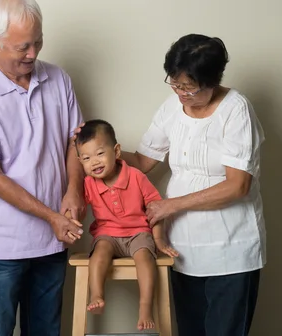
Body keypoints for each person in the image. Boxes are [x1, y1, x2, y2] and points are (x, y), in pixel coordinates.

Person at [0, 0, 85, 336]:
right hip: (0, 246)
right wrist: (52, 216)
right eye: (22, 46)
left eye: (37, 42)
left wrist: (73, 191)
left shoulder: (58, 79)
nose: (32, 53)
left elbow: (75, 142)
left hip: (53, 241)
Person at [122, 34, 266, 336]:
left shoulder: (236, 110)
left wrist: (170, 205)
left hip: (231, 252)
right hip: (182, 250)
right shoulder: (172, 107)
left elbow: (237, 185)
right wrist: (102, 150)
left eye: (188, 86)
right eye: (174, 83)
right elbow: (141, 162)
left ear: (212, 80)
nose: (180, 92)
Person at [73, 119, 178, 331]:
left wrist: (158, 239)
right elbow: (77, 208)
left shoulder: (136, 177)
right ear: (80, 161)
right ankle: (97, 295)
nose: (94, 162)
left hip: (138, 233)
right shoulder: (88, 183)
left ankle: (145, 307)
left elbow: (155, 208)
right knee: (99, 253)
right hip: (107, 235)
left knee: (145, 259)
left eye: (100, 154)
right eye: (86, 158)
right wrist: (70, 220)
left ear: (117, 151)